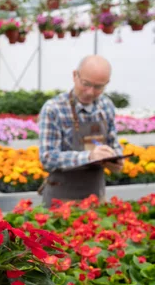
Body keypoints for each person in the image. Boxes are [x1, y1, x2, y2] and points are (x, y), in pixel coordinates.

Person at [38, 55, 123, 207]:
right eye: (86, 84)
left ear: (106, 84)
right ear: (75, 76)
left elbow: (113, 143)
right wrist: (89, 156)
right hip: (61, 201)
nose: (90, 92)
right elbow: (48, 158)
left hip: (95, 199)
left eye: (98, 87)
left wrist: (115, 158)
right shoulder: (54, 109)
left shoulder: (106, 106)